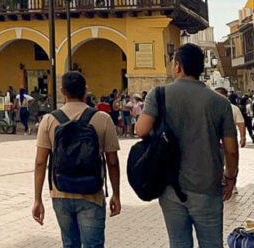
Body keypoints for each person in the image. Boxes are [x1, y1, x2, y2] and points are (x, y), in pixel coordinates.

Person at [136, 44, 238, 248]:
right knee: (211, 243)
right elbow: (231, 148)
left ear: (178, 66)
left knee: (179, 242)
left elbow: (141, 130)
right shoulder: (220, 102)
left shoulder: (158, 95)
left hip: (170, 185)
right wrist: (230, 176)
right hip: (208, 185)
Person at [32, 71, 121, 248]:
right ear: (86, 91)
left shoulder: (49, 120)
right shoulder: (102, 119)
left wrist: (37, 199)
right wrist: (116, 195)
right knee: (93, 245)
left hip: (61, 192)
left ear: (63, 91)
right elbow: (112, 162)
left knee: (69, 243)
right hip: (92, 193)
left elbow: (40, 162)